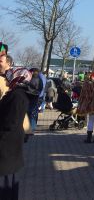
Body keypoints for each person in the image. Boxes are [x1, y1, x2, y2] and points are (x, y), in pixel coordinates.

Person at [0, 67, 35, 197]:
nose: (7, 80)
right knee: (9, 177)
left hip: (7, 142)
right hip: (11, 141)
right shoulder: (17, 93)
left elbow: (11, 122)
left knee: (5, 179)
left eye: (9, 78)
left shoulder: (17, 95)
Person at [26, 68, 43, 133]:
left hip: (31, 97)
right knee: (33, 113)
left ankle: (31, 129)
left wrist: (26, 87)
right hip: (36, 97)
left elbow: (30, 88)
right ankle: (32, 128)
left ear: (33, 72)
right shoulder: (40, 79)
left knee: (30, 113)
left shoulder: (33, 79)